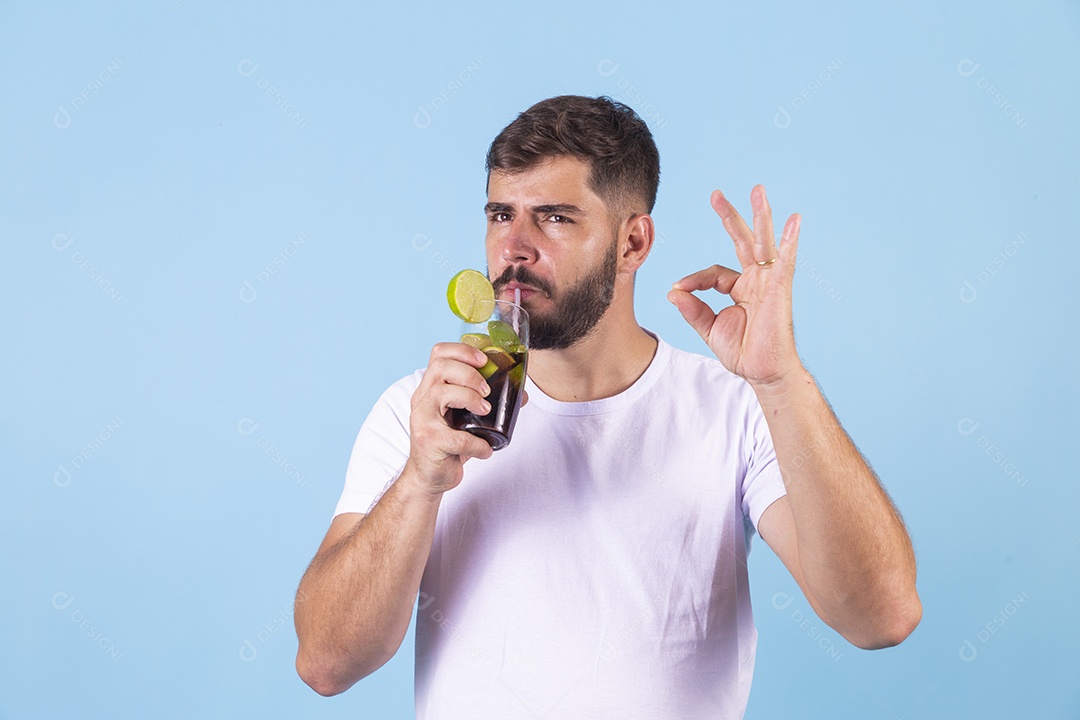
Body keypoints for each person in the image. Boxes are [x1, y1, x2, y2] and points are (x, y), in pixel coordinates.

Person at [293, 95, 921, 717]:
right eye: (499, 215)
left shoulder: (737, 410)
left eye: (554, 218)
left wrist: (782, 382)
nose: (514, 247)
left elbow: (880, 616)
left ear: (633, 244)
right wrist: (420, 480)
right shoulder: (424, 413)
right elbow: (326, 663)